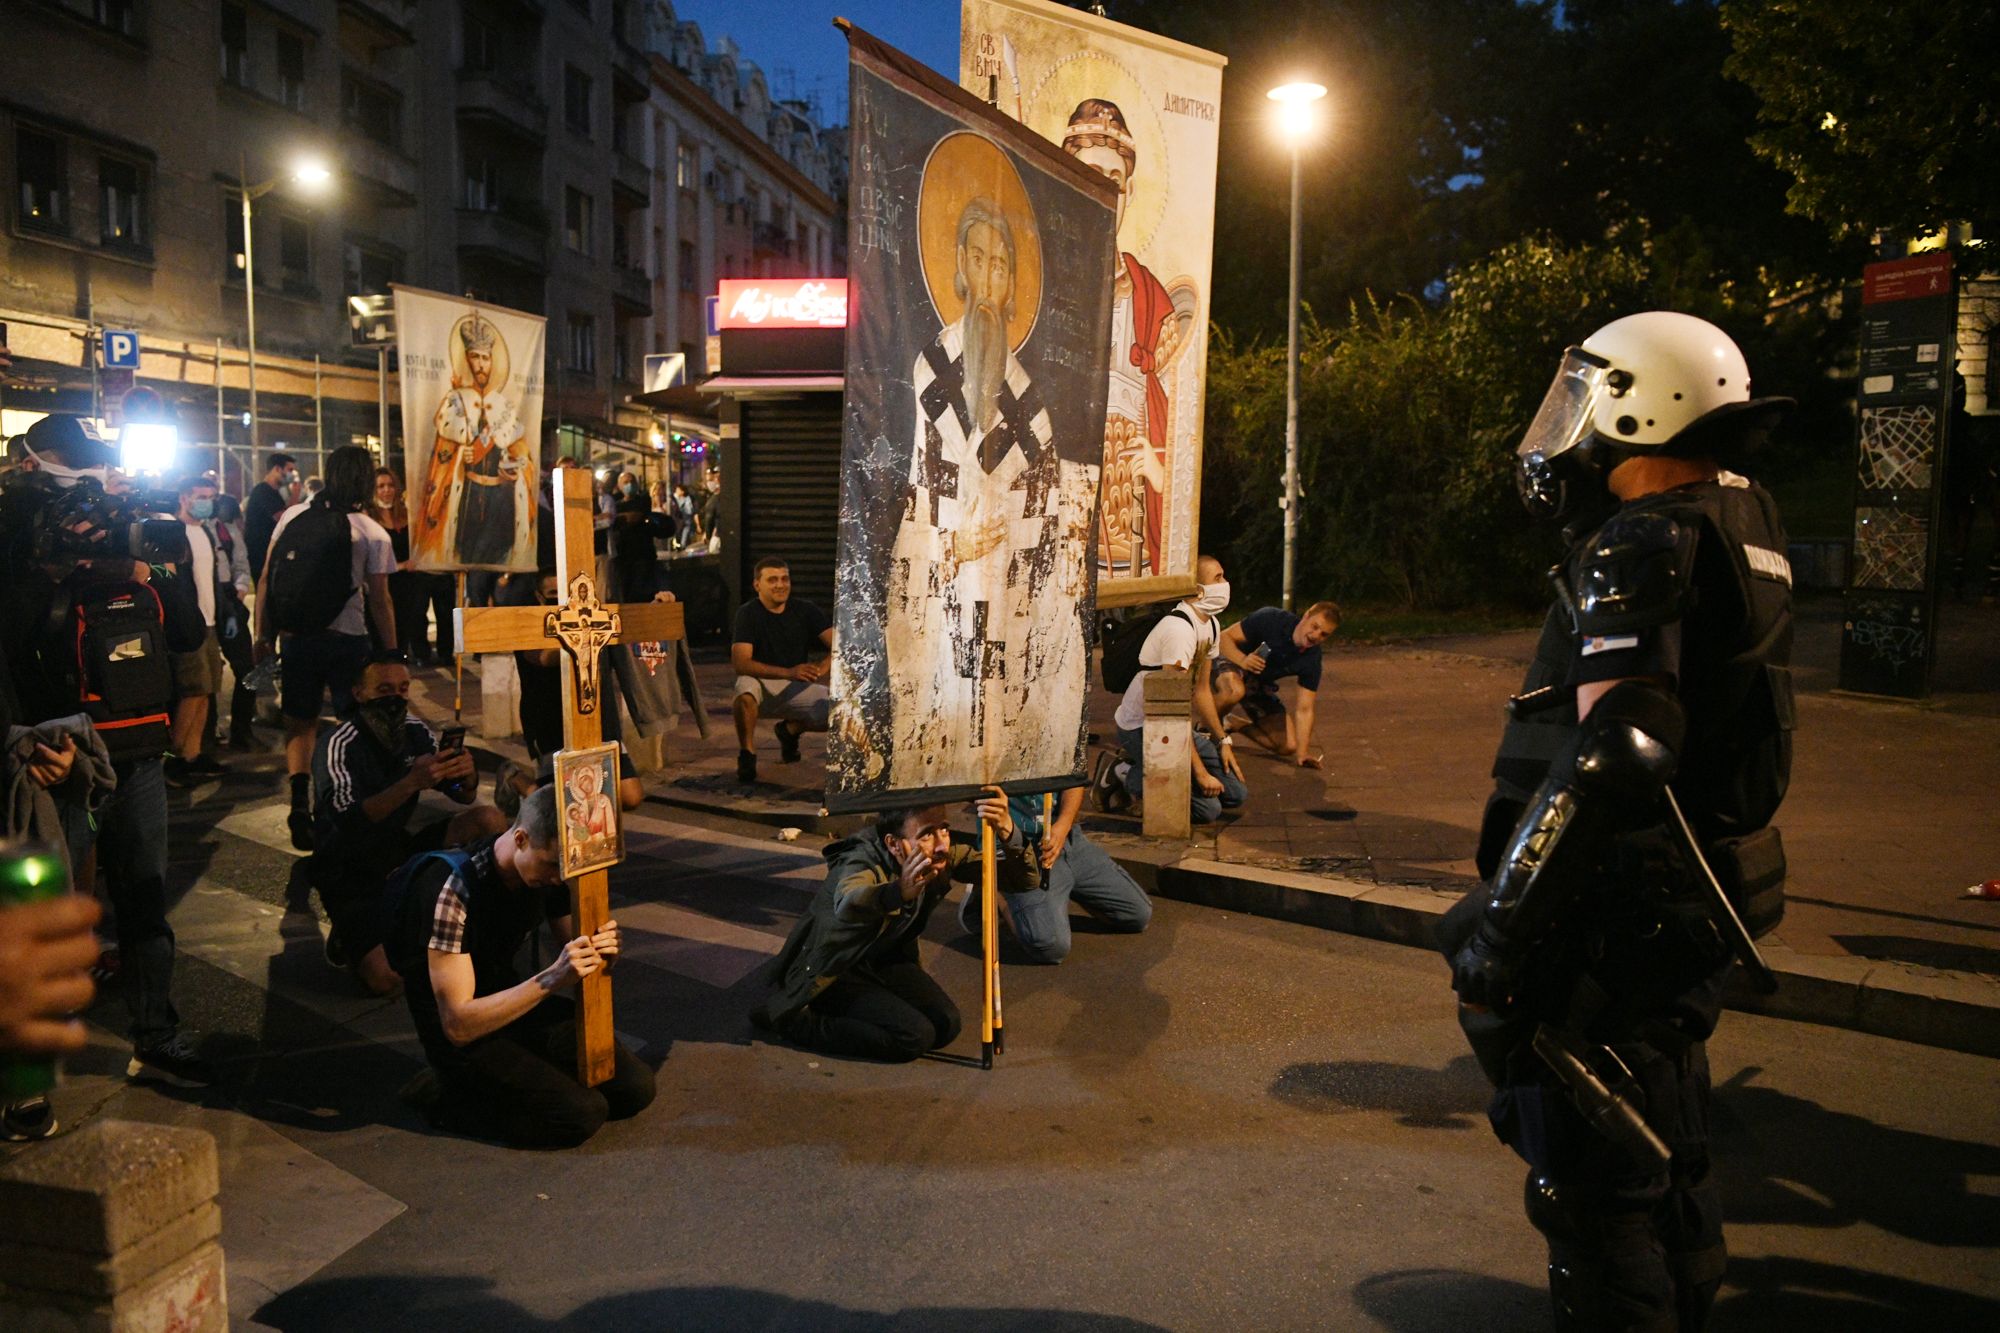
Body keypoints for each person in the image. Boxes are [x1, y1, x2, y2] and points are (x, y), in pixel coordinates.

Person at [1442, 312, 1798, 1331]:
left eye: (1586, 398)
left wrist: (1505, 920)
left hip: (1616, 905)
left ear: (1643, 404)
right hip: (1688, 897)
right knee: (1666, 1153)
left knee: (1590, 1188)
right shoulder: (1741, 518)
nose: (1572, 427)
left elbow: (1617, 747)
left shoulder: (1646, 537)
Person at [0, 414, 213, 1087]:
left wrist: (146, 564)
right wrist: (57, 565)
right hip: (60, 758)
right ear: (34, 463)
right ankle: (30, 1064)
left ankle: (157, 1029)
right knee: (46, 913)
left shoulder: (129, 549)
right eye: (74, 464)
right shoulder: (21, 545)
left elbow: (187, 632)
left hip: (139, 758)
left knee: (145, 902)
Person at [886, 191, 1092, 791]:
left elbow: (1046, 500)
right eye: (977, 259)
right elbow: (924, 491)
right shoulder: (934, 368)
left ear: (1011, 286)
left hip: (1009, 594)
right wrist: (951, 545)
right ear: (959, 264)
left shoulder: (1027, 395)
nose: (987, 278)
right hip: (946, 589)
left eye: (1000, 266)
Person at [389, 785, 654, 1148]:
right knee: (579, 1114)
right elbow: (458, 1025)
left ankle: (526, 1079)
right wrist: (552, 977)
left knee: (634, 1089)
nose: (557, 878)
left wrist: (603, 951)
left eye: (564, 869)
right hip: (465, 1031)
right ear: (520, 838)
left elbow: (574, 948)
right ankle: (444, 1096)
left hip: (515, 1005)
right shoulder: (452, 889)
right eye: (550, 864)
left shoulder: (549, 873)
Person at [753, 789, 1030, 1062]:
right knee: (912, 1037)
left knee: (947, 1025)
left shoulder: (940, 855)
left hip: (885, 959)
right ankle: (795, 1022)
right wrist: (898, 891)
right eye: (926, 834)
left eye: (944, 829)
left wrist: (1009, 832)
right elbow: (849, 902)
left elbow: (1022, 880)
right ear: (894, 844)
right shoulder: (860, 860)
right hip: (838, 967)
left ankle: (877, 1006)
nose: (942, 844)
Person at [311, 651, 502, 995]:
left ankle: (483, 925)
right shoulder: (337, 744)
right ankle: (354, 932)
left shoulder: (414, 731)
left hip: (396, 849)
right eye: (384, 690)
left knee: (488, 820)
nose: (395, 698)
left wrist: (465, 773)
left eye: (402, 689)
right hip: (347, 866)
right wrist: (411, 782)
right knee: (385, 982)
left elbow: (462, 796)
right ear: (359, 693)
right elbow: (350, 820)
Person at [1061, 98, 1195, 580]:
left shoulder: (1150, 299)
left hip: (1125, 519)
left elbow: (1177, 413)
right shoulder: (1040, 285)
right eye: (1087, 175)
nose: (1101, 191)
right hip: (1055, 507)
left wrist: (1160, 469)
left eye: (1112, 181)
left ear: (1128, 192)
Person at [257, 445, 399, 851]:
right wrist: (390, 654)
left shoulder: (293, 515)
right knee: (351, 723)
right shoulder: (371, 531)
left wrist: (262, 635)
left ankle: (299, 802)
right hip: (347, 639)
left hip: (297, 638)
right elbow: (379, 600)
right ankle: (338, 802)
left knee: (300, 722)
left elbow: (268, 576)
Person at [1094, 554, 1247, 824]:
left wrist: (1222, 740)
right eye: (1218, 578)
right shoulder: (1179, 631)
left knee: (1235, 794)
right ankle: (1123, 772)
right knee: (1207, 810)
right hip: (1144, 725)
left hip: (1175, 723)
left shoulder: (1210, 624)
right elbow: (1168, 714)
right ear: (1197, 590)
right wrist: (1199, 773)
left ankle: (1155, 770)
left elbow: (1201, 691)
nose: (1225, 584)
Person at [965, 786, 1151, 964]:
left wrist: (1063, 824)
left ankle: (1056, 893)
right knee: (1050, 947)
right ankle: (995, 884)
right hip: (1014, 846)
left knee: (1137, 914)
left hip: (1065, 838)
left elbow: (1074, 781)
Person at [421, 312, 528, 568]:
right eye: (475, 357)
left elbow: (522, 454)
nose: (481, 364)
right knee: (466, 558)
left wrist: (513, 467)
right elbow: (442, 454)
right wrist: (461, 456)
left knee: (497, 558)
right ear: (466, 360)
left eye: (486, 358)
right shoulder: (455, 401)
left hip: (499, 499)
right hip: (467, 494)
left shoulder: (503, 406)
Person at [730, 557, 832, 784]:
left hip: (795, 686)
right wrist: (789, 672)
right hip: (761, 683)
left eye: (785, 579)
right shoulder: (747, 613)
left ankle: (789, 731)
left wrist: (823, 667)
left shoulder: (805, 610)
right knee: (744, 689)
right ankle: (747, 754)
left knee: (839, 711)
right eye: (772, 580)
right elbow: (741, 663)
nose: (780, 585)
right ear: (758, 585)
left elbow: (843, 644)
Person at [1211, 600, 1339, 768]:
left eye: (1324, 634)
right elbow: (1222, 638)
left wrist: (1303, 752)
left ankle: (1232, 723)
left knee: (1287, 746)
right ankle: (1204, 730)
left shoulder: (1312, 659)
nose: (1316, 636)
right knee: (1235, 690)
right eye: (1315, 627)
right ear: (1306, 616)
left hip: (1257, 682)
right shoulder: (1272, 619)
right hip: (1230, 660)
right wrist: (1243, 660)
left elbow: (1305, 709)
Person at [164, 474, 229, 786]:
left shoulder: (205, 532)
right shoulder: (174, 534)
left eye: (210, 496)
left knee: (207, 690)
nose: (206, 502)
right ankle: (171, 758)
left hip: (210, 621)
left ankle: (193, 755)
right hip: (189, 626)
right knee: (192, 690)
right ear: (183, 497)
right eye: (200, 496)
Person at [209, 492, 258, 751]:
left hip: (228, 600)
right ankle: (207, 735)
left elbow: (241, 566)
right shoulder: (188, 530)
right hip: (203, 600)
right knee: (206, 674)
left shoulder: (228, 532)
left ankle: (242, 729)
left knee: (247, 670)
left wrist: (237, 597)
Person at [243, 451, 299, 588]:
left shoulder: (273, 493)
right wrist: (295, 496)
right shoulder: (263, 491)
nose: (292, 474)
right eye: (290, 470)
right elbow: (282, 518)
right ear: (277, 469)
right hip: (260, 553)